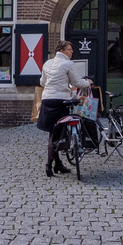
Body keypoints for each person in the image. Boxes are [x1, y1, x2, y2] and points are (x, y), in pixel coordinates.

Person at [37, 40, 94, 177]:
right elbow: (76, 82)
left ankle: (56, 165)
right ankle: (50, 165)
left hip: (47, 100)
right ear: (62, 50)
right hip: (61, 101)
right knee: (58, 133)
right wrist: (88, 83)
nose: (72, 51)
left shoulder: (47, 63)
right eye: (69, 49)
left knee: (53, 133)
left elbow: (42, 82)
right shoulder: (68, 64)